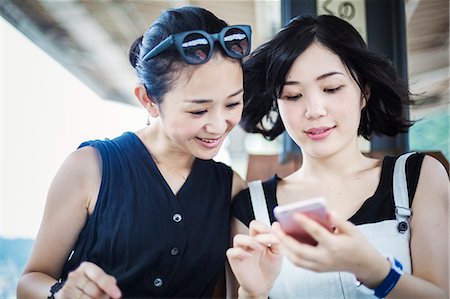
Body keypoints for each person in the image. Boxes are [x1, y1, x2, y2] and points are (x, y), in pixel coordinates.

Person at [17, 6, 250, 298]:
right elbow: (29, 281)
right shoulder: (90, 168)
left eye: (232, 104)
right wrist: (61, 294)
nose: (218, 125)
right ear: (149, 100)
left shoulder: (231, 187)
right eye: (198, 109)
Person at [227, 14, 449, 299]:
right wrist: (252, 293)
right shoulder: (251, 208)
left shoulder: (417, 177)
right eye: (293, 96)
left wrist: (375, 272)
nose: (314, 110)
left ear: (364, 93)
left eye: (331, 88)